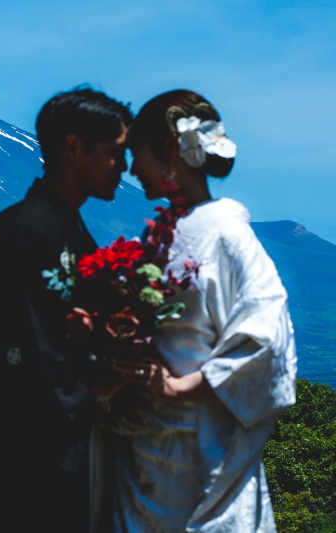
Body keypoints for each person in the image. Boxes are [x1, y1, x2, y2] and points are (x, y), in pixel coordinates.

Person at [112, 90, 297, 532]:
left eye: (138, 154)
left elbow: (268, 335)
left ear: (172, 151)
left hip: (204, 446)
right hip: (145, 445)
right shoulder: (158, 236)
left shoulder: (228, 234)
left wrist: (180, 388)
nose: (132, 169)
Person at [0, 87, 131, 532]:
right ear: (74, 148)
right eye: (116, 153)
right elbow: (24, 358)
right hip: (28, 468)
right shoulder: (22, 232)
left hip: (68, 454)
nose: (124, 167)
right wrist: (103, 381)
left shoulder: (71, 233)